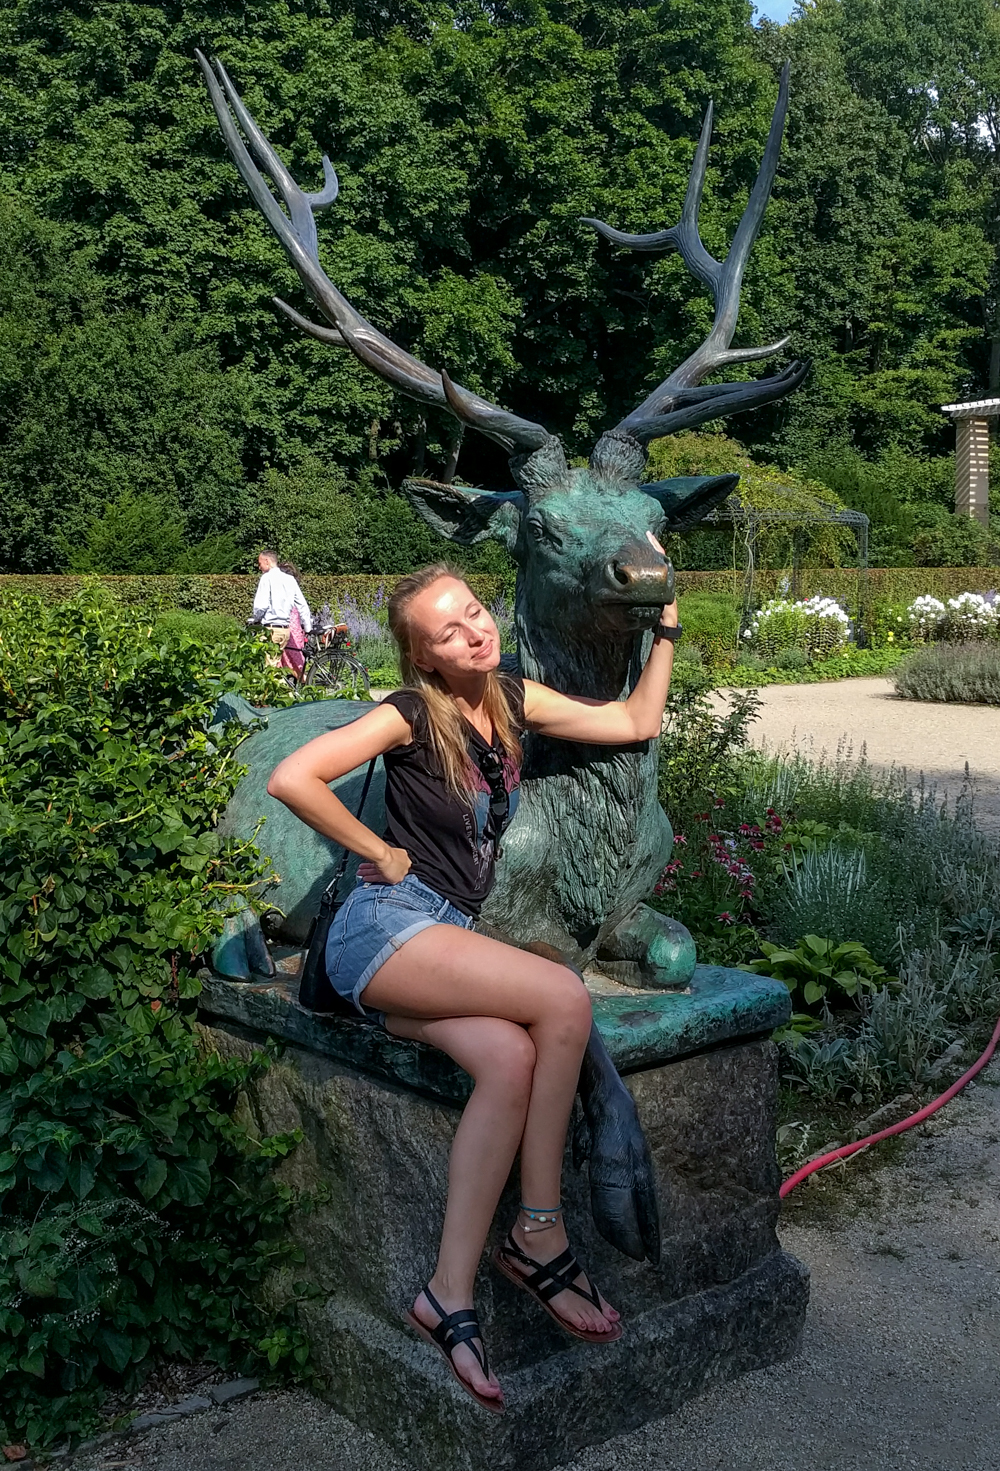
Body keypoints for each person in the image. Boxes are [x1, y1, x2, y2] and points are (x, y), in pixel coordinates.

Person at [266, 559, 680, 1415]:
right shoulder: (412, 712)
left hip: (440, 937)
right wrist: (379, 851)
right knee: (563, 997)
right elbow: (293, 776)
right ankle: (539, 1231)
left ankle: (446, 1294)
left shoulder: (514, 699)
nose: (474, 631)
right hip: (385, 927)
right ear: (425, 656)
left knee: (508, 1057)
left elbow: (636, 720)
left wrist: (666, 629)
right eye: (448, 631)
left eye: (475, 612)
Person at [249, 550, 312, 667]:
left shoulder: (266, 578)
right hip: (285, 631)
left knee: (269, 669)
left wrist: (255, 620)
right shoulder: (290, 579)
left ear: (267, 561)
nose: (259, 567)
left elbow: (261, 606)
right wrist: (308, 627)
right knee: (276, 664)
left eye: (260, 563)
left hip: (271, 630)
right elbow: (302, 605)